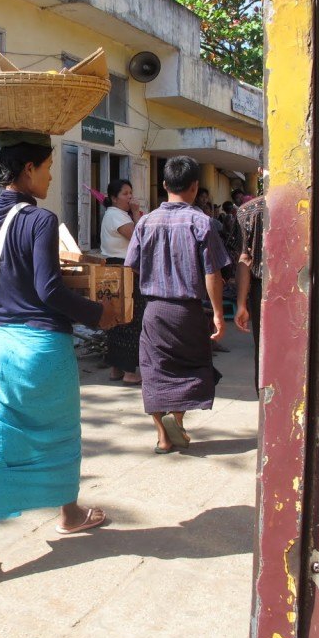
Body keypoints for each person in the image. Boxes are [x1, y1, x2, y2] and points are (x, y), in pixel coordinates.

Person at [0, 132, 117, 583]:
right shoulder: (41, 221)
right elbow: (49, 291)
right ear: (29, 169)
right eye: (47, 167)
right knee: (61, 433)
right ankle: (68, 514)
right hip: (41, 348)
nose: (50, 176)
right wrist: (97, 314)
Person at [124, 156, 230, 454]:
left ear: (165, 184)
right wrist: (219, 315)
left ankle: (162, 436)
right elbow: (213, 273)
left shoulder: (145, 222)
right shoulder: (202, 222)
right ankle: (178, 420)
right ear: (195, 187)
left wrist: (157, 274)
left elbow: (131, 265)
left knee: (155, 369)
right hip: (188, 311)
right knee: (191, 367)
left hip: (155, 310)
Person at [99, 178, 144, 384]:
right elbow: (137, 239)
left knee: (116, 318)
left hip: (114, 269)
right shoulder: (117, 215)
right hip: (123, 269)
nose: (130, 197)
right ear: (114, 198)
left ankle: (116, 368)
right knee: (129, 318)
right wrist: (135, 214)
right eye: (125, 194)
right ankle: (129, 371)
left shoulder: (114, 214)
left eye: (130, 192)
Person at [235, 192, 266, 390]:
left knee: (263, 349)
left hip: (262, 291)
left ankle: (264, 400)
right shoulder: (306, 202)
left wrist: (241, 304)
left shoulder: (248, 210)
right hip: (301, 288)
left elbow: (245, 259)